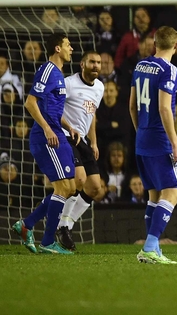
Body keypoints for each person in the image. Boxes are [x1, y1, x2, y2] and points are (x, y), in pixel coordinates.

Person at [12, 33, 76, 254]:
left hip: (57, 134)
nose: (72, 49)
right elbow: (31, 103)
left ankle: (27, 224)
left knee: (70, 187)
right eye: (68, 45)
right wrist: (48, 129)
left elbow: (53, 111)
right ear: (57, 48)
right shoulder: (47, 70)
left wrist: (69, 126)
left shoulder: (58, 74)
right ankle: (48, 241)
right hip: (46, 137)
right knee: (63, 188)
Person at [129, 26, 177, 264]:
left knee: (154, 196)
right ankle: (151, 246)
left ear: (154, 43)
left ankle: (153, 250)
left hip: (142, 137)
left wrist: (140, 132)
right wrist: (175, 143)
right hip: (160, 140)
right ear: (176, 46)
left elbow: (132, 106)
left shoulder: (140, 66)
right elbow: (164, 108)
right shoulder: (169, 70)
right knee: (173, 194)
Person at [53, 51, 105, 252]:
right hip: (66, 136)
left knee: (94, 187)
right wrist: (68, 128)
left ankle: (66, 225)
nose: (96, 66)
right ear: (82, 64)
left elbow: (90, 115)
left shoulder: (99, 87)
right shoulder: (68, 84)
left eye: (99, 63)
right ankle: (61, 227)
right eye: (92, 62)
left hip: (82, 139)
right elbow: (55, 110)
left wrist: (94, 142)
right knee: (79, 180)